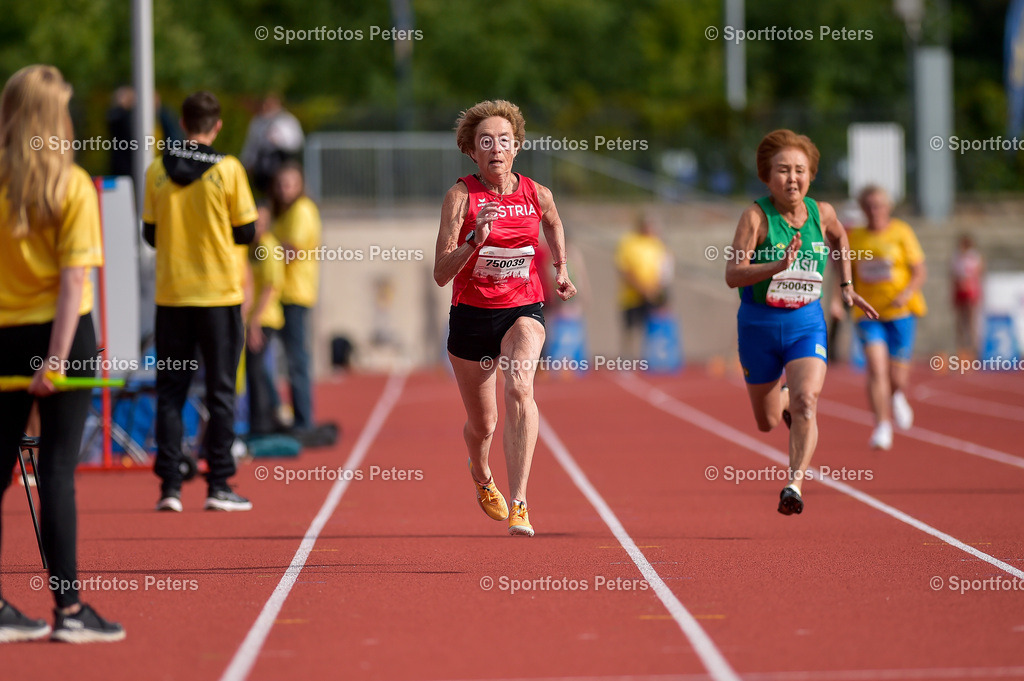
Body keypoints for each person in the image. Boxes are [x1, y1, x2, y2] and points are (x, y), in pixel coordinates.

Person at [0, 64, 124, 642]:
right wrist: (53, 360)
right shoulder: (69, 185)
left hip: (5, 338)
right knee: (55, 473)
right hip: (60, 338)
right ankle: (69, 611)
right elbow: (73, 282)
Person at [433, 100, 577, 537]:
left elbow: (553, 222)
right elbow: (441, 274)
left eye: (504, 141)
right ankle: (481, 474)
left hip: (522, 309)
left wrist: (562, 269)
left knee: (519, 386)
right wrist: (475, 242)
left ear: (517, 148)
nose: (496, 149)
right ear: (472, 152)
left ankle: (520, 502)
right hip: (472, 318)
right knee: (484, 425)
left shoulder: (537, 193)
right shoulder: (461, 196)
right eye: (486, 143)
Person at [725, 129, 877, 515]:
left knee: (809, 401)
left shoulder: (822, 213)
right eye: (782, 171)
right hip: (758, 325)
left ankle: (794, 484)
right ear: (766, 175)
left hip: (805, 321)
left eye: (800, 170)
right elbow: (732, 274)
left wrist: (845, 285)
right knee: (767, 421)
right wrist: (778, 265)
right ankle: (785, 398)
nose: (792, 178)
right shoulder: (756, 217)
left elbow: (841, 240)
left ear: (810, 175)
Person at [143, 91, 258, 512]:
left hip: (172, 296)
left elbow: (150, 235)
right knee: (220, 391)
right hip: (218, 296)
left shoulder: (157, 169)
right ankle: (219, 484)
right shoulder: (228, 169)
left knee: (171, 391)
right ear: (217, 125)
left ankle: (170, 486)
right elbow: (246, 232)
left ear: (183, 121)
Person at [846, 185, 927, 450]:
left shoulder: (901, 232)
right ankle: (881, 425)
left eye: (879, 204)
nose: (874, 210)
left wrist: (907, 293)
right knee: (876, 367)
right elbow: (844, 273)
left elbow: (919, 270)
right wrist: (839, 300)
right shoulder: (855, 237)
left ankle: (897, 394)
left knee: (897, 377)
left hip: (901, 312)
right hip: (868, 313)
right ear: (862, 208)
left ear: (888, 206)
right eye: (868, 205)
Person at [269, 162, 322, 439]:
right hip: (278, 293)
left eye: (289, 184)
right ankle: (278, 411)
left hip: (294, 294)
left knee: (295, 358)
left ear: (300, 185)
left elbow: (291, 250)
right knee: (271, 358)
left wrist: (264, 249)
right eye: (280, 184)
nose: (284, 189)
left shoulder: (302, 210)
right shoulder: (284, 213)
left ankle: (303, 419)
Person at [245, 206, 285, 435]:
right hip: (255, 318)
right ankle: (267, 415)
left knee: (257, 369)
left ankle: (262, 423)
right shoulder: (251, 247)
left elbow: (271, 287)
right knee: (257, 370)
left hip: (266, 318)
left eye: (261, 223)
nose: (257, 227)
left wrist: (255, 322)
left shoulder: (269, 247)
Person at [616, 213, 673, 360]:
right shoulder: (629, 242)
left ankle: (651, 358)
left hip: (653, 293)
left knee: (652, 327)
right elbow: (625, 269)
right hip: (632, 295)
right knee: (630, 329)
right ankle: (627, 360)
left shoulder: (658, 244)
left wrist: (655, 289)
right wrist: (642, 288)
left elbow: (664, 269)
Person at [240, 95, 304, 195]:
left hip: (282, 163)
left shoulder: (287, 120)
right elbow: (251, 146)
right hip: (264, 168)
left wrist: (280, 141)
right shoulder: (257, 121)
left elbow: (297, 142)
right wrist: (247, 164)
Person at [951, 234, 983, 358]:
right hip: (960, 291)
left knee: (971, 321)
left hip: (971, 292)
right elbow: (953, 276)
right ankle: (962, 349)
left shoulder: (973, 257)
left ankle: (974, 349)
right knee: (960, 322)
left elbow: (977, 274)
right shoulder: (956, 257)